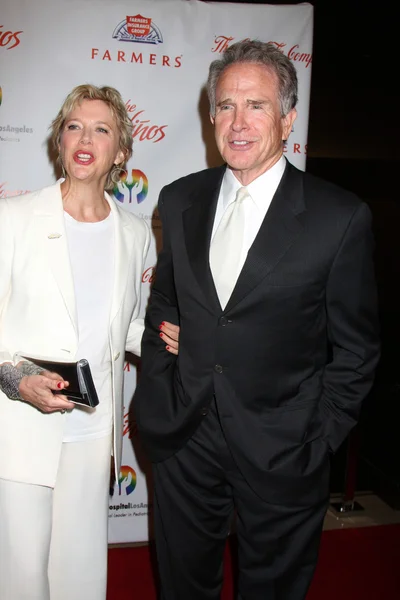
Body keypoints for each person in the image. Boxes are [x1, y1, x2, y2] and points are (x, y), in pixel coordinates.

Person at [134, 40, 380, 600]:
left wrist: (316, 443)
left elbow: (357, 350)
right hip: (184, 440)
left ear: (288, 118)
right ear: (211, 114)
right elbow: (165, 306)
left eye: (257, 106)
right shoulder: (178, 200)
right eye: (225, 105)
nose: (237, 122)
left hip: (283, 448)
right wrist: (159, 385)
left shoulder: (338, 217)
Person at [0, 84, 179, 600]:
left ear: (120, 151)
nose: (85, 137)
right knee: (19, 576)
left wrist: (178, 340)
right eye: (74, 125)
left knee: (80, 577)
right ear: (60, 140)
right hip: (20, 425)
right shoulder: (13, 218)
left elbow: (123, 328)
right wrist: (16, 379)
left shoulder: (134, 233)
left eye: (102, 129)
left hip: (93, 428)